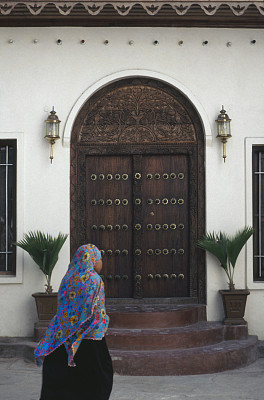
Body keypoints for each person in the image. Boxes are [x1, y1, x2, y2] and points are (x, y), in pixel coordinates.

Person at [35, 244, 113, 400]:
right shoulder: (95, 280)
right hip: (89, 337)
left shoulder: (67, 277)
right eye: (99, 259)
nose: (101, 263)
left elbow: (63, 305)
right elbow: (98, 310)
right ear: (92, 260)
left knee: (62, 376)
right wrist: (102, 327)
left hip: (63, 335)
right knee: (95, 377)